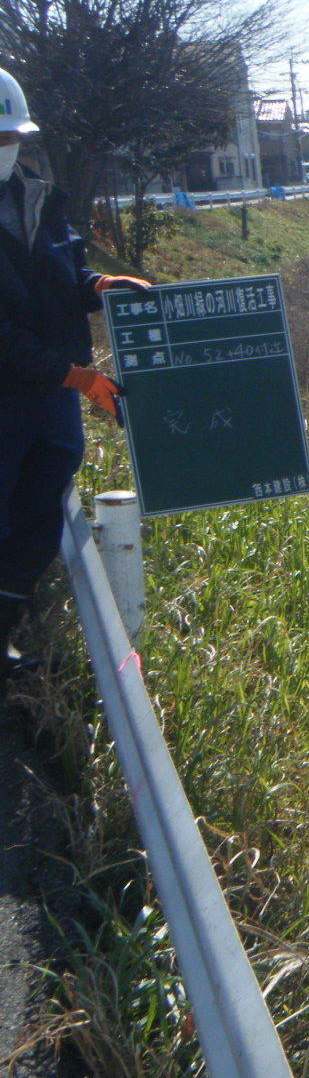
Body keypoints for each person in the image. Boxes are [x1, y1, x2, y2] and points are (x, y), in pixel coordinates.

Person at [0, 65, 148, 683]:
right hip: (10, 400)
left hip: (52, 405)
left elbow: (61, 282)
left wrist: (101, 284)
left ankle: (4, 636)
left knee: (36, 518)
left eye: (7, 138)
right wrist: (78, 378)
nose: (3, 150)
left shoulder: (38, 199)